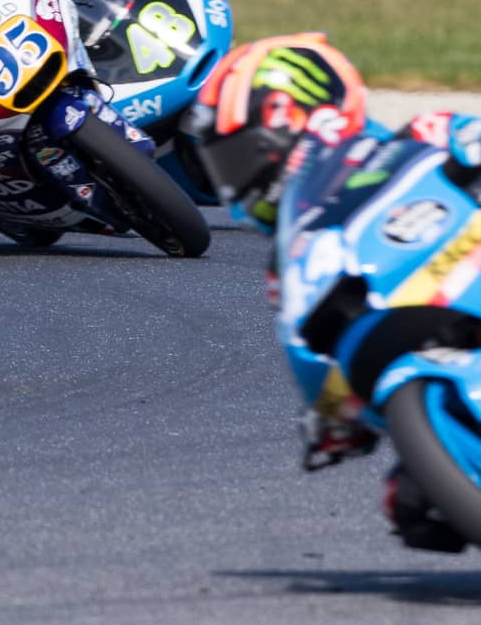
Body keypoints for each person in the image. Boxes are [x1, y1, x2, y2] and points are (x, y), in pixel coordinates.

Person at [182, 32, 481, 552]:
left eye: (234, 156)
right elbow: (315, 349)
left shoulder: (422, 133)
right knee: (407, 499)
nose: (232, 180)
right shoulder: (292, 256)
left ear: (284, 121)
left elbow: (468, 137)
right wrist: (329, 420)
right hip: (419, 335)